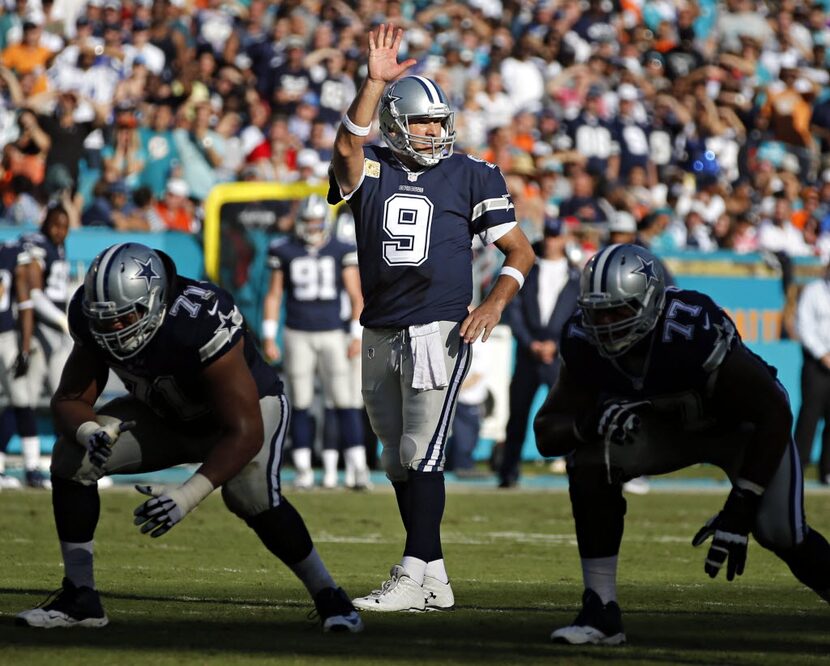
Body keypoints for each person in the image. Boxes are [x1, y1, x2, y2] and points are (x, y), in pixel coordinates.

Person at [15, 242, 362, 633]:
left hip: (244, 412)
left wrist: (186, 495)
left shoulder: (199, 318)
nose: (113, 330)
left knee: (250, 494)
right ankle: (80, 598)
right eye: (104, 320)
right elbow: (71, 398)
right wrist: (91, 431)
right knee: (70, 458)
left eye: (124, 318)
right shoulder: (95, 317)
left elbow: (244, 432)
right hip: (167, 412)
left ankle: (329, 595)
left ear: (155, 301)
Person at [329, 24, 535, 612]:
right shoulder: (372, 171)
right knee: (397, 457)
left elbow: (520, 251)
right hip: (380, 329)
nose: (432, 132)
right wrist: (372, 83)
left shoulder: (472, 173)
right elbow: (347, 148)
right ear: (395, 122)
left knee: (423, 451)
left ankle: (411, 572)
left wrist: (493, 303)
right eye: (421, 122)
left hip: (437, 330)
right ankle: (434, 578)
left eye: (437, 122)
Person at [533, 243, 830, 646]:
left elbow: (774, 411)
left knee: (780, 531)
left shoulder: (690, 331)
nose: (604, 323)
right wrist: (589, 423)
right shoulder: (583, 339)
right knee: (590, 456)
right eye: (596, 310)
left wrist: (741, 506)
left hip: (739, 430)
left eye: (618, 310)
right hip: (668, 430)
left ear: (651, 302)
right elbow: (547, 431)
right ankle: (600, 611)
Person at [261, 194, 369, 490]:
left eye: (316, 221)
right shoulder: (283, 249)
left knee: (344, 401)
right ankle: (304, 468)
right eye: (307, 221)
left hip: (334, 332)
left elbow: (354, 295)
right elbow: (274, 294)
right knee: (302, 402)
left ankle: (358, 468)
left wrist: (355, 334)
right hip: (297, 332)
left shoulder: (341, 249)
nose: (311, 227)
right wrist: (269, 334)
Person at [498, 217, 580, 488]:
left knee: (567, 414)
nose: (552, 240)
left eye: (556, 236)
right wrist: (530, 343)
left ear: (564, 239)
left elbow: (578, 314)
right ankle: (508, 472)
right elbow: (514, 307)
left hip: (558, 354)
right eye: (549, 235)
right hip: (529, 352)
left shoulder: (575, 274)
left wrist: (557, 344)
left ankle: (577, 470)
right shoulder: (528, 267)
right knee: (518, 415)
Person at [14, 205, 73, 487]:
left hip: (54, 335)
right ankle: (31, 467)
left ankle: (56, 466)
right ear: (45, 224)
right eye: (54, 225)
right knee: (28, 399)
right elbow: (35, 295)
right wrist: (63, 320)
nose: (59, 231)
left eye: (64, 226)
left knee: (61, 400)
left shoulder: (58, 247)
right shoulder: (38, 246)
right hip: (41, 332)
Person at [0, 239, 35, 489]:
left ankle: (32, 467)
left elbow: (24, 301)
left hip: (6, 337)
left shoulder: (10, 252)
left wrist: (24, 347)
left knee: (22, 400)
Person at [794, 261, 830, 483]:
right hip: (816, 364)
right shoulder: (813, 291)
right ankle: (798, 467)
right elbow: (804, 326)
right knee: (810, 416)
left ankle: (827, 471)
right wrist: (822, 354)